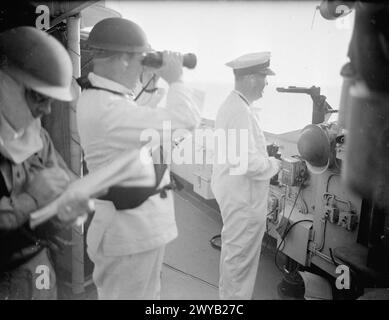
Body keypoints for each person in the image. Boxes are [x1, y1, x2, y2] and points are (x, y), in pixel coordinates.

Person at [76, 17, 201, 299]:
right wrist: (176, 78)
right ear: (122, 60)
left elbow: (138, 118)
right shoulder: (107, 108)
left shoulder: (101, 97)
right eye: (138, 60)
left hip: (133, 233)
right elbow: (184, 121)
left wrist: (156, 82)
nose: (140, 69)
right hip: (130, 236)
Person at [0, 26, 93, 299]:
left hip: (36, 267)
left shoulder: (36, 135)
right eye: (39, 96)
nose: (47, 109)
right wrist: (30, 199)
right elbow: (37, 196)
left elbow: (65, 182)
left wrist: (73, 206)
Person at [211, 52, 281, 300]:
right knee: (240, 266)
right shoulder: (240, 111)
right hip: (244, 202)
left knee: (234, 261)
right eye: (264, 77)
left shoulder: (234, 105)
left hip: (236, 197)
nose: (266, 84)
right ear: (252, 78)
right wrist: (274, 164)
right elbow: (250, 163)